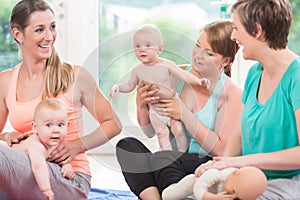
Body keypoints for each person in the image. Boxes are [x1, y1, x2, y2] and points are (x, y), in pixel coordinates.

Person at [0, 0, 121, 199]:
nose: (49, 37)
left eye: (52, 27)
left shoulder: (74, 76)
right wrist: (7, 137)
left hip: (69, 177)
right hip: (26, 174)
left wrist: (76, 146)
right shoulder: (5, 81)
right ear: (17, 35)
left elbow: (113, 123)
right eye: (40, 30)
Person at [116, 20, 242, 200]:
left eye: (209, 53)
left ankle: (172, 191)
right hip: (168, 164)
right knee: (127, 146)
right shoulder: (175, 73)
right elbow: (150, 131)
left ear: (226, 60)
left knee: (163, 158)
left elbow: (221, 151)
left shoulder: (232, 93)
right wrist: (141, 104)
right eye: (197, 45)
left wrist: (184, 114)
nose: (198, 55)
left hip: (202, 165)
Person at [195, 0, 300, 199]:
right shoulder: (255, 73)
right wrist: (220, 166)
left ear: (257, 30)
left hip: (288, 182)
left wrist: (243, 162)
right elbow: (240, 134)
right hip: (247, 178)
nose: (233, 36)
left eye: (236, 28)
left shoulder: (297, 77)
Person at [110, 24, 209, 152]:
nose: (142, 50)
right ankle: (167, 157)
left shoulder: (167, 65)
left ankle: (182, 155)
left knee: (178, 130)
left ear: (160, 49)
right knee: (162, 134)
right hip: (155, 110)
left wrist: (199, 81)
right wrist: (117, 87)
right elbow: (129, 86)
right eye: (137, 46)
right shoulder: (137, 70)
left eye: (148, 45)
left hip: (171, 106)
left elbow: (184, 75)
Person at [12, 99, 74, 200]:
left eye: (60, 125)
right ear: (35, 127)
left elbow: (60, 159)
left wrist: (67, 165)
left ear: (68, 125)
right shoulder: (36, 145)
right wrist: (46, 190)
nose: (56, 130)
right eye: (48, 125)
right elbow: (38, 166)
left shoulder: (54, 143)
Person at [162, 166, 267, 200]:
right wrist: (213, 197)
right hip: (195, 184)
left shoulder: (236, 182)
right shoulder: (215, 174)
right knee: (169, 196)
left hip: (210, 192)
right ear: (235, 173)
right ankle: (173, 186)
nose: (233, 195)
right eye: (234, 191)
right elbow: (198, 189)